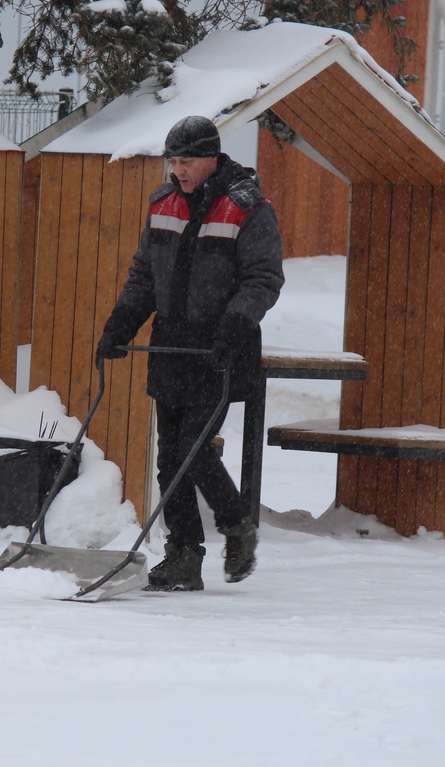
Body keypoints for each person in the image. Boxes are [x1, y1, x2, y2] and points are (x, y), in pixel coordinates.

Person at [96, 115, 284, 591]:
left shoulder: (249, 207)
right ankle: (183, 555)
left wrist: (236, 325)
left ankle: (237, 522)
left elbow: (262, 279)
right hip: (171, 346)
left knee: (193, 452)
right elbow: (144, 275)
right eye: (173, 161)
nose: (178, 170)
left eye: (186, 161)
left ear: (211, 158)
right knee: (169, 458)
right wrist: (121, 324)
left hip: (221, 348)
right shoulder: (163, 203)